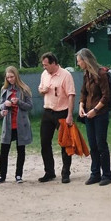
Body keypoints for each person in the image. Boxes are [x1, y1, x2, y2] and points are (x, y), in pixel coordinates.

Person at [37, 52, 76, 184]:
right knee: (44, 142)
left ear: (53, 63)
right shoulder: (44, 74)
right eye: (43, 65)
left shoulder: (66, 75)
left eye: (46, 65)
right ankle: (49, 172)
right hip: (48, 111)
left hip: (62, 112)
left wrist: (70, 115)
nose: (44, 67)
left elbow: (71, 95)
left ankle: (66, 173)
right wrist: (43, 91)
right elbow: (40, 89)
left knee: (65, 143)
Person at [76, 48, 111, 186]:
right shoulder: (86, 74)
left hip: (100, 114)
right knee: (92, 144)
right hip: (88, 114)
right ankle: (95, 173)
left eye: (79, 61)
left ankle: (106, 174)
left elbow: (106, 96)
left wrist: (95, 110)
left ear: (85, 60)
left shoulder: (101, 74)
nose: (78, 64)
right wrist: (81, 105)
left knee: (101, 144)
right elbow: (83, 92)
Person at [0, 66, 33, 184]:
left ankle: (18, 175)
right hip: (8, 124)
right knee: (4, 150)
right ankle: (2, 175)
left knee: (20, 150)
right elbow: (0, 105)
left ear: (16, 76)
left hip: (21, 124)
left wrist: (19, 102)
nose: (10, 79)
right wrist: (5, 105)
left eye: (12, 77)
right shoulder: (4, 89)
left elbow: (30, 106)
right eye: (8, 77)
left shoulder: (24, 89)